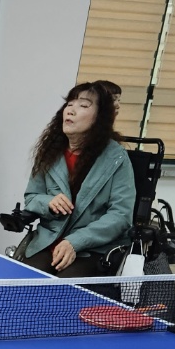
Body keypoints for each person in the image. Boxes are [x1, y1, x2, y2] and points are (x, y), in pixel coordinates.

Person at [23, 81, 134, 275]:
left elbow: (121, 215)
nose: (71, 111)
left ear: (100, 117)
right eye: (69, 104)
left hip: (93, 248)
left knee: (63, 287)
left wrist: (75, 241)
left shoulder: (116, 158)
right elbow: (32, 197)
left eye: (83, 105)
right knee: (25, 281)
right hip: (49, 240)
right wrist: (48, 202)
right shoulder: (50, 152)